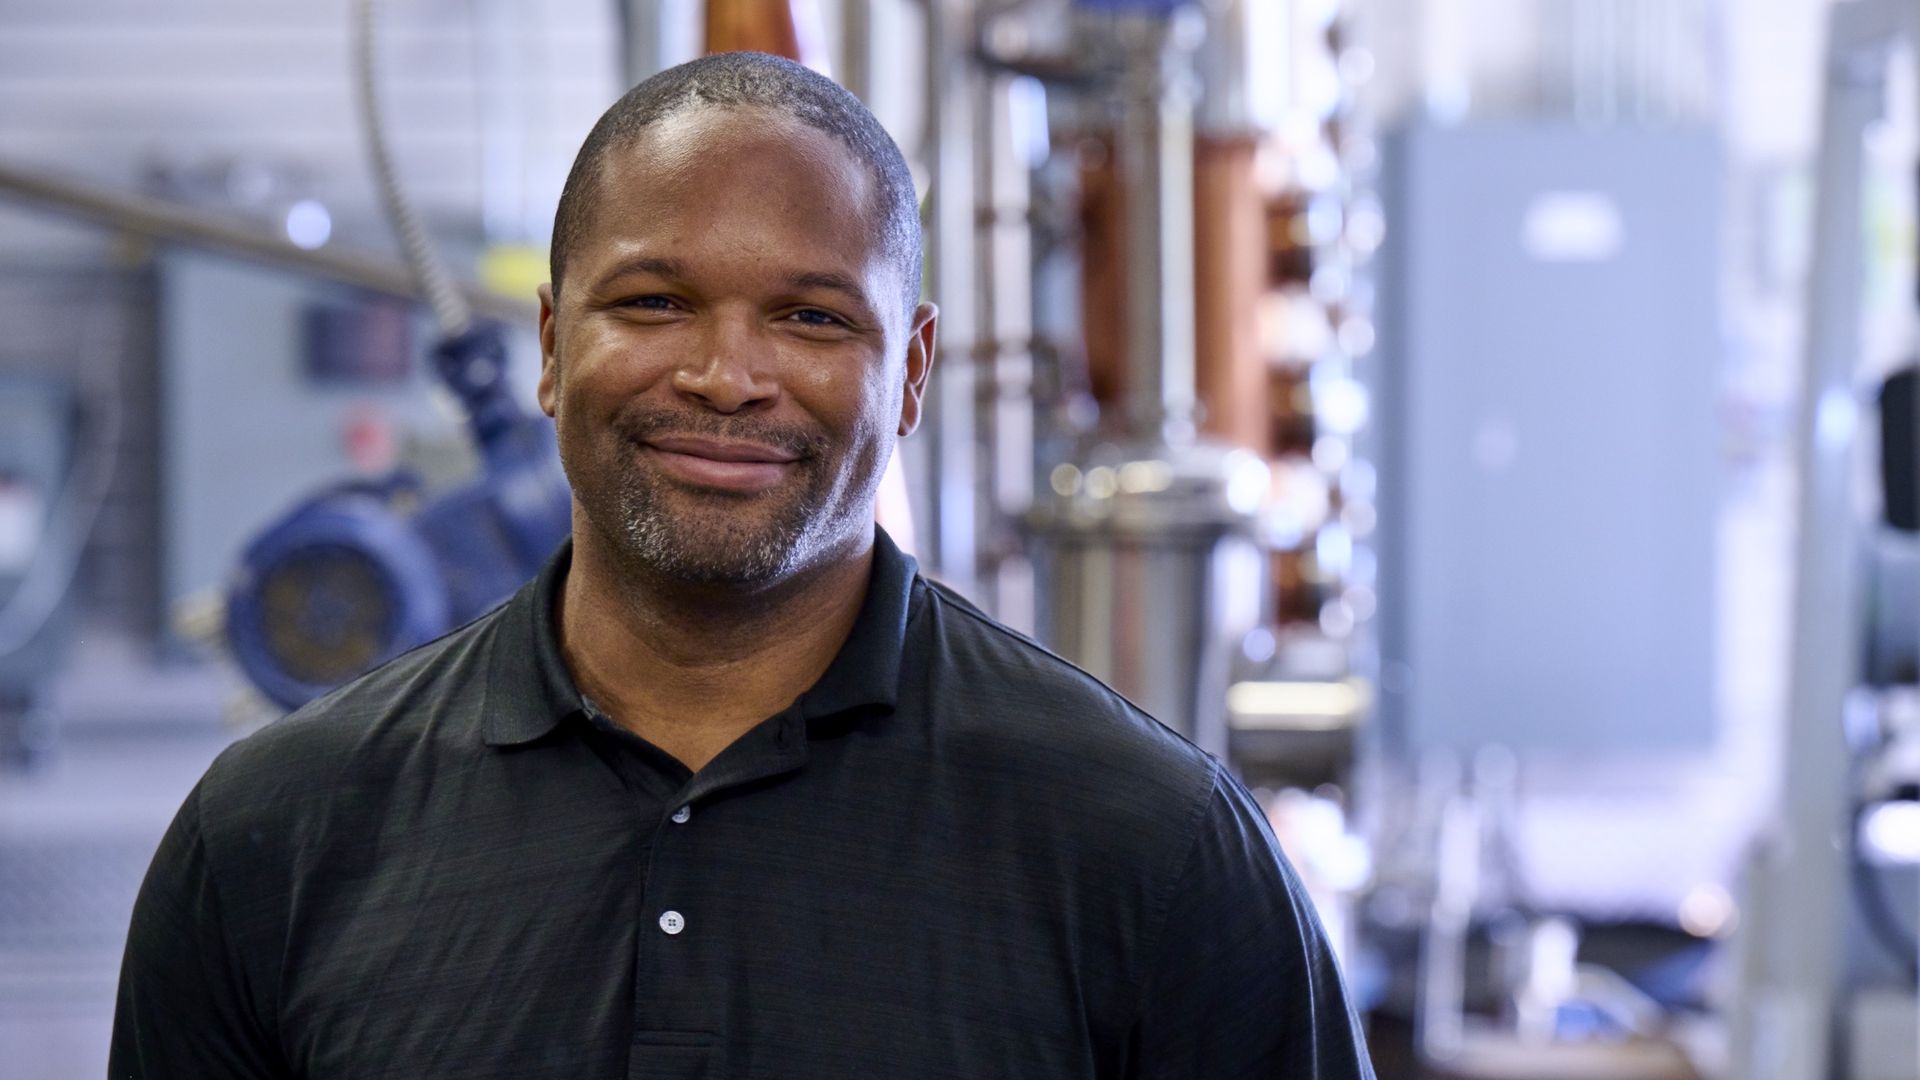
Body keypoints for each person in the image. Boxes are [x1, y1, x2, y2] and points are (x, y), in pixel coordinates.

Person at [110, 52, 1374, 1079]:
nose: (725, 376)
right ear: (552, 346)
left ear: (914, 372)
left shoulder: (1150, 846)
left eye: (812, 318)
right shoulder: (275, 835)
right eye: (654, 303)